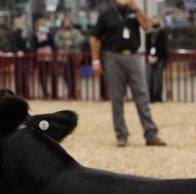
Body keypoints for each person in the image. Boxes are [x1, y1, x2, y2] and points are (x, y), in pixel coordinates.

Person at [90, 0, 167, 147]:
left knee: (142, 95)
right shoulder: (106, 14)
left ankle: (151, 134)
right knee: (117, 97)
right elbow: (95, 38)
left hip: (133, 56)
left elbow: (147, 26)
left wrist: (136, 8)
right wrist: (95, 61)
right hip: (113, 56)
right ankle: (121, 135)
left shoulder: (134, 12)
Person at [54, 17, 84, 99]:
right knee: (65, 74)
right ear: (62, 23)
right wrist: (64, 43)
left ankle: (73, 92)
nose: (67, 24)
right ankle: (69, 91)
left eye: (69, 22)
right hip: (63, 56)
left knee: (74, 74)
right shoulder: (59, 33)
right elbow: (56, 41)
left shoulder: (76, 32)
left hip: (74, 55)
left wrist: (72, 43)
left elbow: (81, 40)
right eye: (65, 22)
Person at [31, 17, 57, 99]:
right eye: (40, 24)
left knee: (53, 74)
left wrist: (43, 41)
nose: (42, 26)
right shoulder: (35, 35)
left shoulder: (49, 34)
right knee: (42, 76)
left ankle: (54, 94)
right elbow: (35, 45)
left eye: (43, 24)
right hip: (40, 57)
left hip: (49, 56)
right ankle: (45, 93)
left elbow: (51, 42)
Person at [145, 16, 168, 103]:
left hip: (160, 58)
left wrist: (157, 57)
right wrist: (149, 56)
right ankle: (151, 97)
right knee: (149, 77)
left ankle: (158, 97)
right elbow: (147, 47)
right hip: (150, 57)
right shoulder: (149, 34)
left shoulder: (162, 33)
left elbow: (163, 47)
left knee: (159, 78)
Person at [8, 15, 32, 98]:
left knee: (26, 76)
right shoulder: (15, 33)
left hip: (27, 57)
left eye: (23, 20)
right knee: (19, 76)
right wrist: (17, 51)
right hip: (19, 58)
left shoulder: (27, 32)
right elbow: (12, 46)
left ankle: (26, 93)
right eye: (20, 20)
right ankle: (20, 94)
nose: (23, 22)